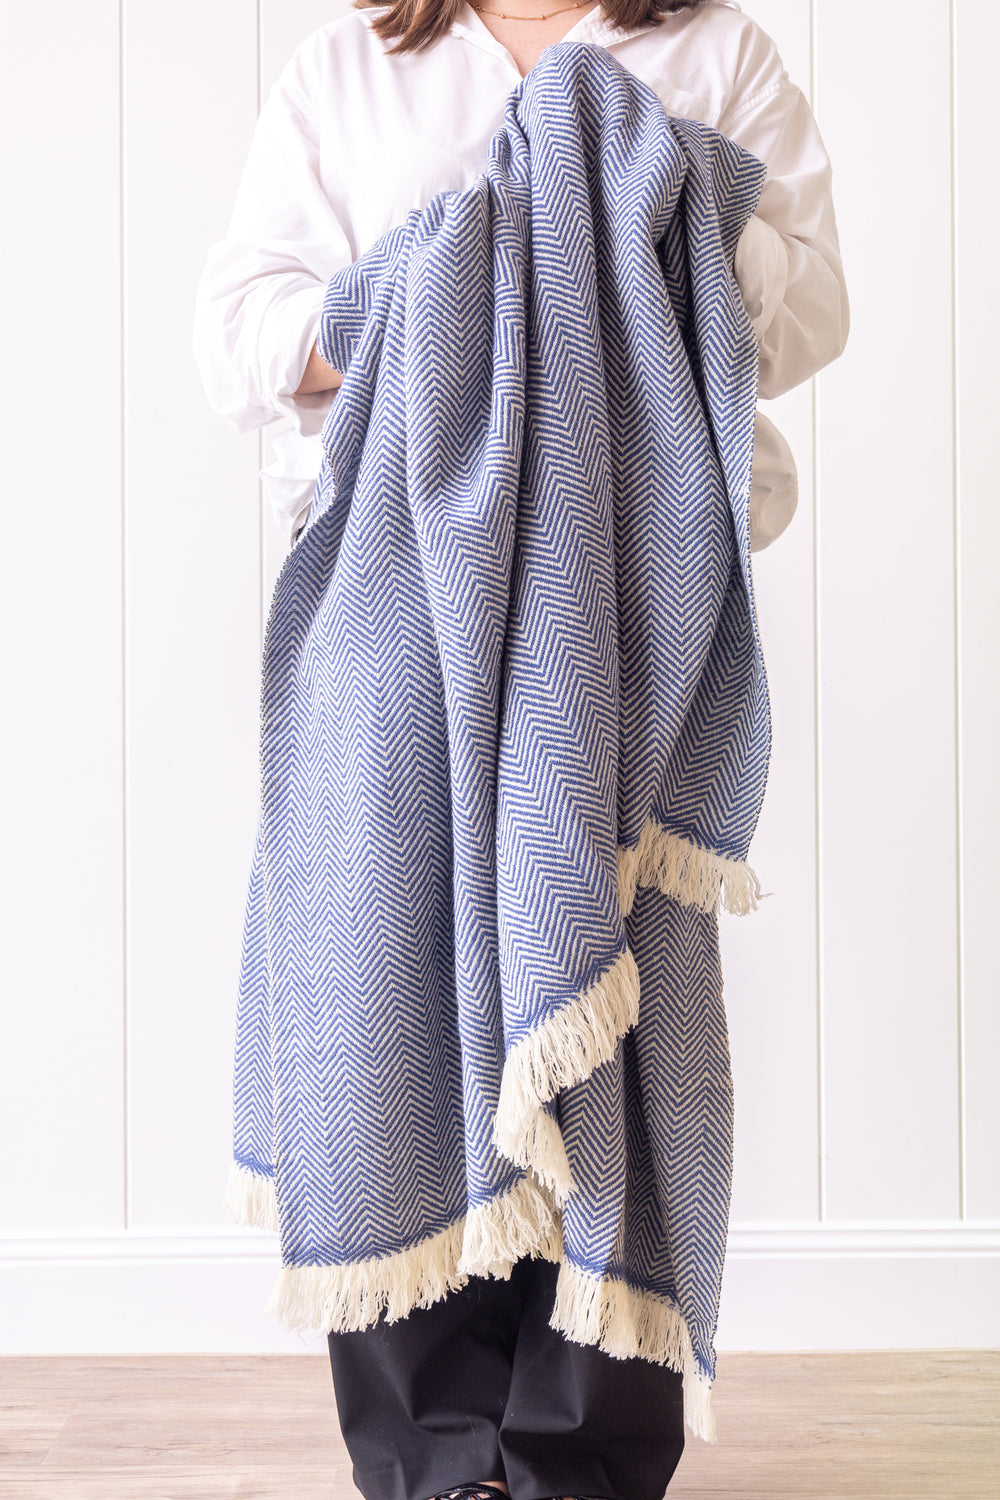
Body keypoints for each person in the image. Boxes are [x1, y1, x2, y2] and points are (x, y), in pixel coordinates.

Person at [192, 4, 849, 1498]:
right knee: (393, 995)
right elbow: (238, 333)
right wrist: (452, 275)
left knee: (615, 1024)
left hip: (632, 615)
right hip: (392, 617)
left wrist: (642, 193)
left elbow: (814, 312)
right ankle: (436, 1459)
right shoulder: (355, 66)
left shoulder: (716, 57)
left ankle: (574, 1464)